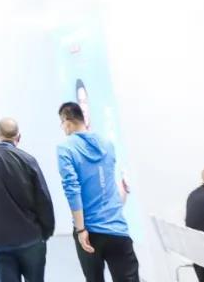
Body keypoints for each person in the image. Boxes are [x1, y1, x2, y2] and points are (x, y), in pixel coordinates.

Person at [56, 101, 139, 282]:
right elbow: (110, 190)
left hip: (90, 231)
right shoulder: (107, 144)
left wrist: (81, 229)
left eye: (61, 124)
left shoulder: (65, 148)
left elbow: (72, 190)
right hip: (117, 228)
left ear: (67, 121)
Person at [0, 117, 55, 282]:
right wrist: (46, 231)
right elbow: (43, 199)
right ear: (19, 137)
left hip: (0, 239)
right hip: (31, 238)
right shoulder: (28, 160)